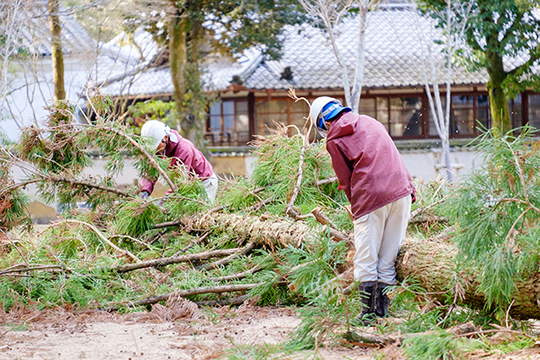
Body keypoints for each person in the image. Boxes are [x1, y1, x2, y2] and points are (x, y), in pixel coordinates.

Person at [309, 97, 416, 324]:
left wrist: (357, 207)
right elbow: (394, 155)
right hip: (402, 192)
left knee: (366, 258)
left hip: (371, 196)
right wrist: (410, 189)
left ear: (325, 123)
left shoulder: (334, 138)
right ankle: (383, 314)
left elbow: (346, 180)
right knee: (388, 258)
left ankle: (367, 315)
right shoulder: (370, 121)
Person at [139, 120, 218, 203]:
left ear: (166, 138)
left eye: (156, 146)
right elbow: (151, 172)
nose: (155, 150)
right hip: (187, 183)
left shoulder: (184, 149)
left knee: (199, 212)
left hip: (204, 182)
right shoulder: (159, 149)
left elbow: (180, 182)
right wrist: (144, 191)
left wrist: (164, 201)